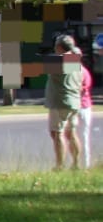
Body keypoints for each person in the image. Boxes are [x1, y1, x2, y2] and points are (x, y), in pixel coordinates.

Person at [45, 34, 84, 170]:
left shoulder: (58, 61)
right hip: (74, 101)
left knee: (57, 133)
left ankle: (59, 165)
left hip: (60, 102)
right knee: (71, 132)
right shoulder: (76, 62)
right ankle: (76, 163)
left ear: (59, 47)